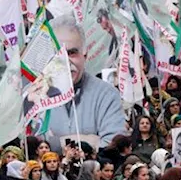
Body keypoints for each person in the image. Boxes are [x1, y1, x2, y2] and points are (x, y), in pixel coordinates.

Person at [43, 20, 128, 149]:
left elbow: (113, 145)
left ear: (85, 55)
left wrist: (55, 144)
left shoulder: (107, 95)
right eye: (58, 54)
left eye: (72, 53)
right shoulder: (33, 97)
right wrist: (88, 141)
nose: (65, 61)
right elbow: (32, 146)